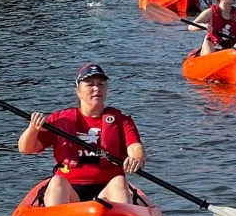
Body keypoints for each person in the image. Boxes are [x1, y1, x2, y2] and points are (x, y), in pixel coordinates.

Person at [18, 64, 146, 207]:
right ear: (78, 92)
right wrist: (32, 129)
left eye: (101, 84)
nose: (96, 88)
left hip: (107, 189)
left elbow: (135, 147)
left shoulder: (122, 121)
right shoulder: (60, 120)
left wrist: (137, 159)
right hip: (70, 189)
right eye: (90, 84)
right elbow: (26, 149)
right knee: (56, 181)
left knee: (119, 182)